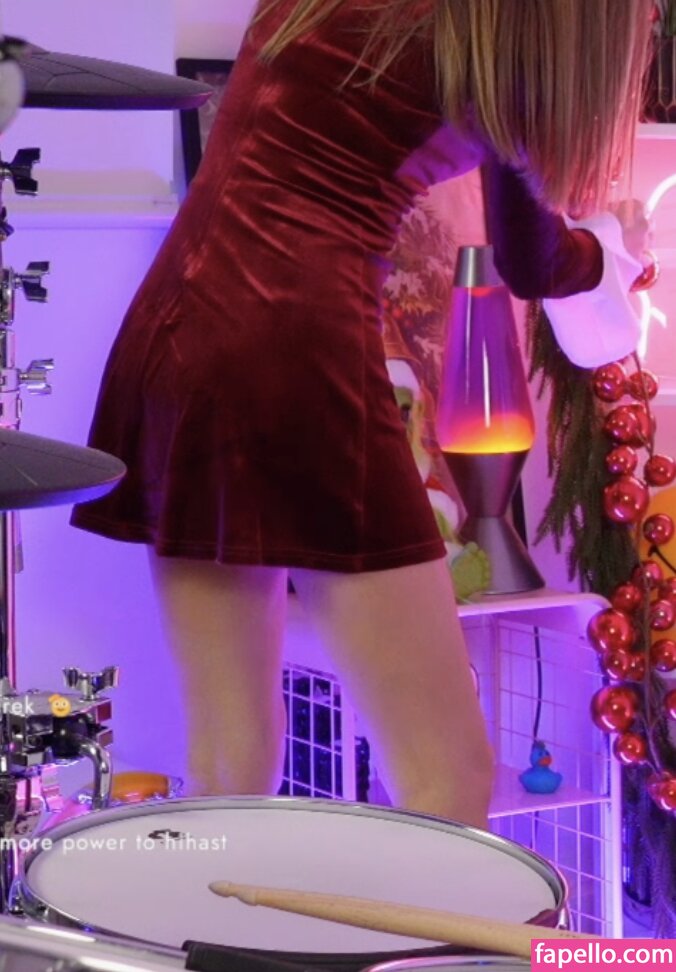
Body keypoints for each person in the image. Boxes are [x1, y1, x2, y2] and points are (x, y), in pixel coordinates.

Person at [71, 0, 652, 829]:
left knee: (229, 761)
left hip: (176, 334)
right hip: (296, 350)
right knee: (447, 777)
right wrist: (612, 246)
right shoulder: (498, 50)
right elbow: (535, 261)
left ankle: (214, 912)